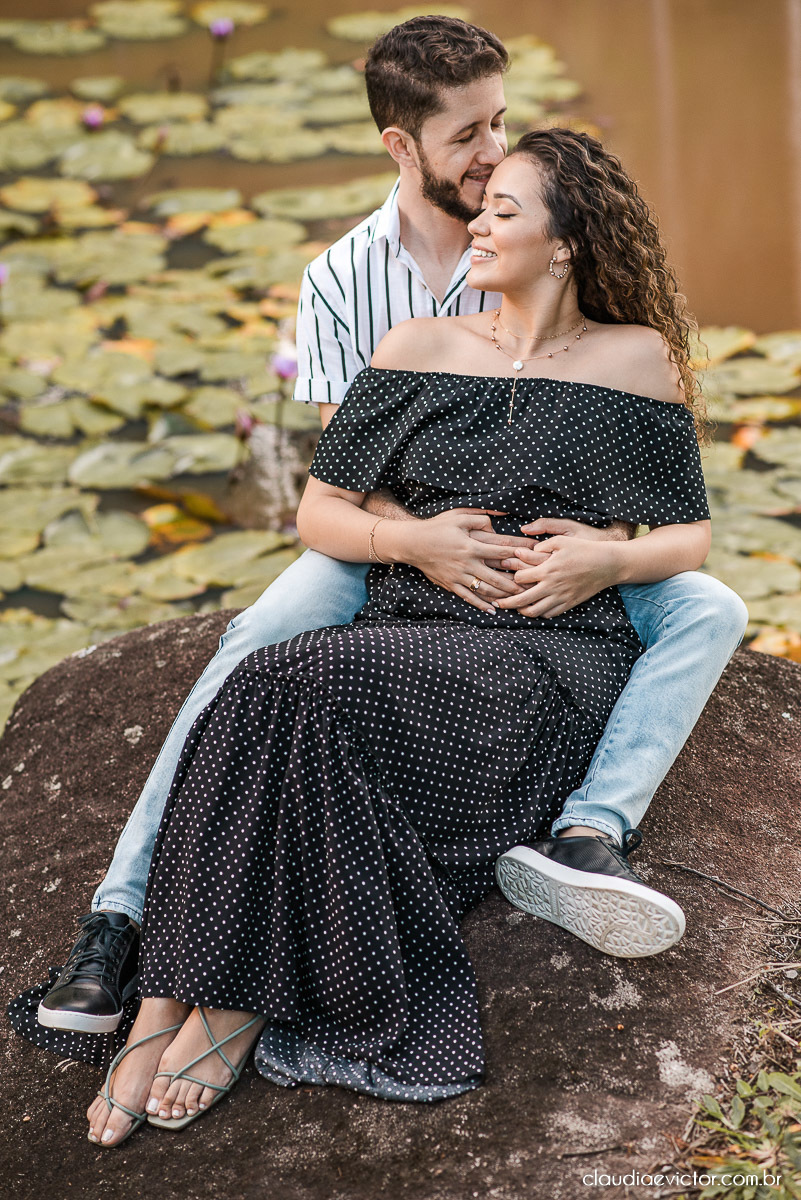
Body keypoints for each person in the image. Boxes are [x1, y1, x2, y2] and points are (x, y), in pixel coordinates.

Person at [22, 16, 745, 1050]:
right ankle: (118, 916)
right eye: (470, 138)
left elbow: (658, 489)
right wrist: (428, 547)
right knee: (253, 649)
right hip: (394, 543)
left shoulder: (561, 245)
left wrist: (607, 555)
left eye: (501, 124)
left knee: (710, 603)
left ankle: (592, 832)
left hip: (549, 565)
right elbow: (338, 491)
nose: (494, 151)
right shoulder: (346, 284)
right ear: (403, 147)